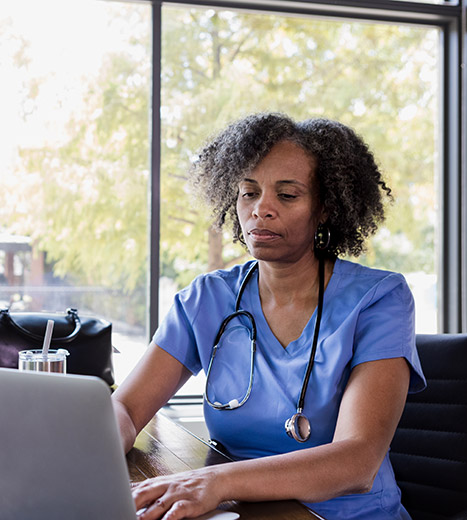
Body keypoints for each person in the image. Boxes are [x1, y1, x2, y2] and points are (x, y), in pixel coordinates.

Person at [112, 112, 426, 520]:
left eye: (288, 195)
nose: (262, 210)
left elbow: (358, 461)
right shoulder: (207, 298)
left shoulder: (379, 299)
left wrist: (217, 482)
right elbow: (127, 408)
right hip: (248, 512)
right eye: (248, 193)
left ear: (326, 208)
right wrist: (107, 437)